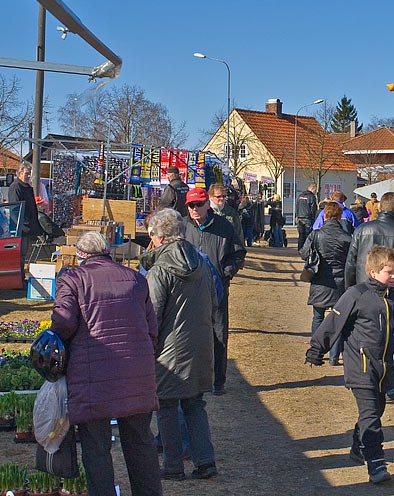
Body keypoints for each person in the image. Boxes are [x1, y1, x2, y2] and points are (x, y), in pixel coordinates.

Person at [49, 231, 162, 496]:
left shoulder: (73, 278)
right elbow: (152, 330)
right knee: (140, 443)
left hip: (93, 375)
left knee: (96, 448)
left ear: (80, 254)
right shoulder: (136, 279)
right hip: (136, 373)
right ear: (107, 251)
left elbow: (64, 322)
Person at [306, 246, 394, 484]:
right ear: (373, 272)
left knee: (375, 411)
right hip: (360, 365)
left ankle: (358, 446)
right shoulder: (356, 294)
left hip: (383, 368)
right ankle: (376, 464)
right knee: (371, 415)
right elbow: (334, 322)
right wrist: (316, 349)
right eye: (389, 272)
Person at [141, 208, 219, 481]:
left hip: (170, 349)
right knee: (194, 403)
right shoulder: (202, 262)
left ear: (159, 237)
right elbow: (215, 300)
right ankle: (205, 461)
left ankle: (173, 464)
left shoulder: (160, 270)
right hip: (200, 343)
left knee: (166, 405)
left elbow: (151, 313)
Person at [345, 192, 394, 401]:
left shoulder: (361, 230)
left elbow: (351, 264)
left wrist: (349, 291)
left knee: (368, 333)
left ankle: (369, 378)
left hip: (364, 290)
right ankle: (389, 382)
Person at [183, 187, 246, 396]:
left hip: (216, 290)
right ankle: (192, 379)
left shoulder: (224, 227)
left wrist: (226, 273)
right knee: (188, 335)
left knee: (218, 335)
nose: (194, 209)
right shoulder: (183, 227)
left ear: (207, 205)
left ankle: (218, 381)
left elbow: (238, 253)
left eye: (198, 205)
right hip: (189, 291)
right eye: (190, 206)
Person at [300, 202, 351, 366]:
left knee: (318, 316)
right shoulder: (346, 237)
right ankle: (334, 356)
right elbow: (352, 260)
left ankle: (317, 352)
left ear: (325, 216)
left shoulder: (315, 235)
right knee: (338, 319)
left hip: (320, 279)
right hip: (340, 281)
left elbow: (303, 253)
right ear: (339, 217)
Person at [8, 161, 43, 260]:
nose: (28, 176)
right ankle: (20, 275)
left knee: (24, 254)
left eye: (29, 174)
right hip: (20, 228)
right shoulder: (16, 187)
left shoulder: (27, 187)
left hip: (28, 226)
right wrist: (24, 225)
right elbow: (15, 209)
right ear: (20, 173)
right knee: (19, 255)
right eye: (26, 174)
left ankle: (22, 274)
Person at [296, 183, 319, 250]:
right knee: (308, 235)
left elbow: (297, 206)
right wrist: (314, 217)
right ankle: (306, 249)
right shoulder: (311, 197)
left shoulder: (300, 195)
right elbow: (313, 208)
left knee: (301, 235)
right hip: (308, 218)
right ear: (313, 189)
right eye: (315, 190)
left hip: (300, 218)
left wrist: (297, 215)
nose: (315, 192)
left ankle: (300, 248)